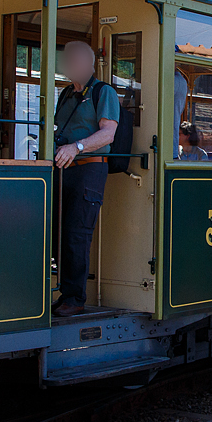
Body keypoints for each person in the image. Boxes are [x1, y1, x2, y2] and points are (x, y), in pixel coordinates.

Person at [52, 41, 120, 318]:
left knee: (76, 235)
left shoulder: (104, 92)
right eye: (67, 59)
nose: (70, 65)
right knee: (58, 231)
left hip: (89, 168)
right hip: (64, 167)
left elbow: (108, 134)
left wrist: (77, 147)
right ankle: (64, 292)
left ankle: (75, 297)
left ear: (89, 63)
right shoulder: (67, 93)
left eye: (75, 59)